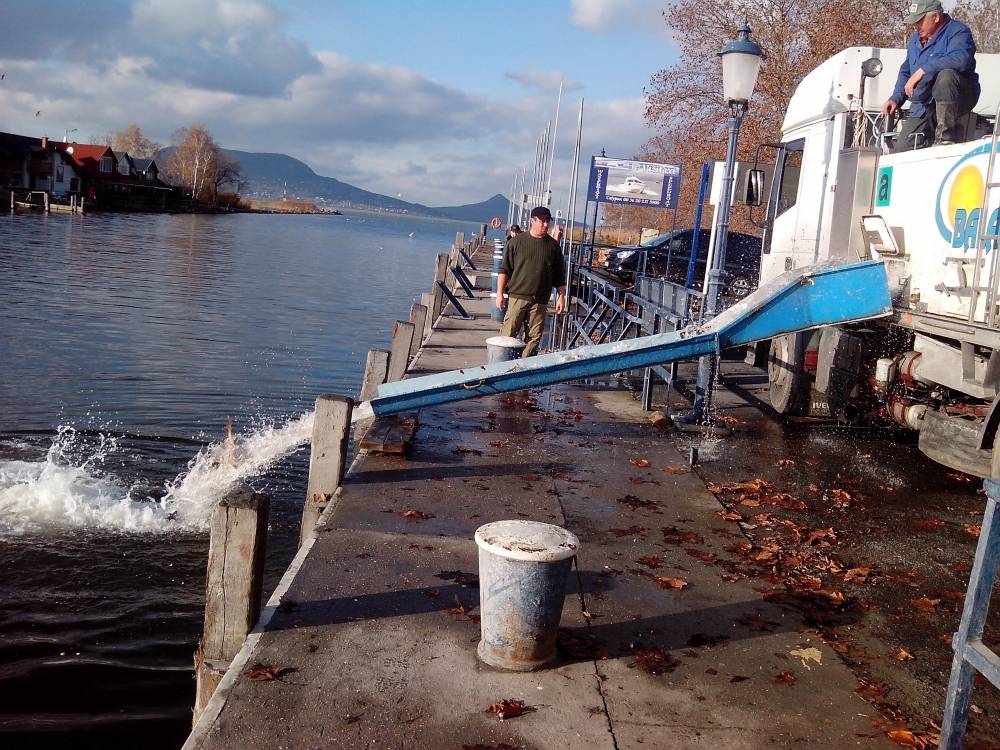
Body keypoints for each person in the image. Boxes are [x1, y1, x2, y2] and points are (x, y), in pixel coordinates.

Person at [881, 0, 979, 150]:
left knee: (946, 76)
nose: (916, 27)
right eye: (914, 22)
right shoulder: (915, 40)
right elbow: (907, 70)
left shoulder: (958, 31)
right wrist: (896, 98)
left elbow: (961, 59)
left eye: (920, 21)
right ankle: (928, 142)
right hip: (924, 103)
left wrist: (923, 70)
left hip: (958, 98)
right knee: (902, 149)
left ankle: (945, 137)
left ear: (936, 17)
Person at [496, 206, 566, 357]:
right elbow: (504, 270)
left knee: (534, 338)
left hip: (540, 300)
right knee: (508, 334)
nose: (546, 225)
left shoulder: (553, 246)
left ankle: (523, 368)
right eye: (542, 221)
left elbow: (560, 275)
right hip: (518, 297)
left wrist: (561, 296)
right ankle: (501, 365)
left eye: (548, 221)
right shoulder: (516, 242)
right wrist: (500, 294)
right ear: (532, 221)